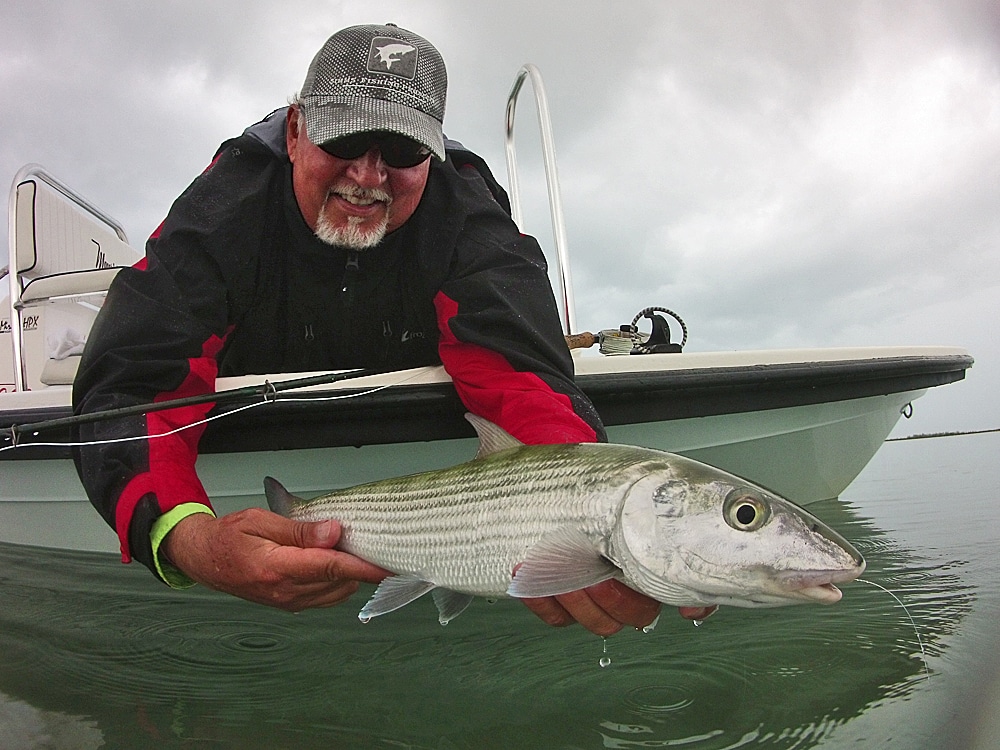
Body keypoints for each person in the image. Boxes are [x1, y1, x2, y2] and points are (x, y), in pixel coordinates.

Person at [73, 23, 704, 635]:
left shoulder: (466, 216)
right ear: (296, 132)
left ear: (431, 154)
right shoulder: (223, 214)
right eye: (344, 140)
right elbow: (133, 384)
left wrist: (584, 517)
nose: (369, 176)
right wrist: (191, 539)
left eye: (402, 152)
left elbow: (522, 378)